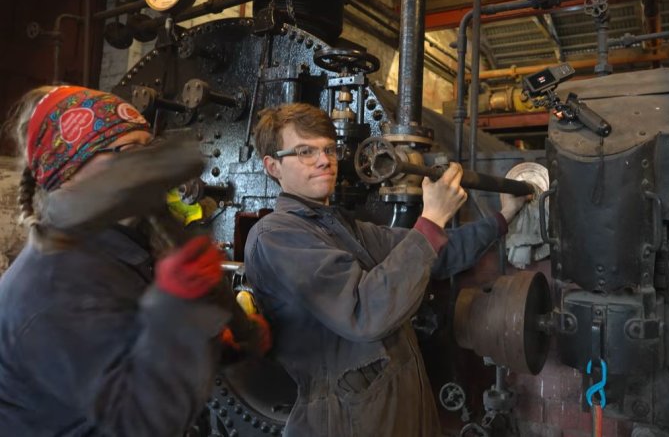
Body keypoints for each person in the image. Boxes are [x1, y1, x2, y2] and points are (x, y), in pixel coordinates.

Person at [244, 103, 528, 436]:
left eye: (328, 149)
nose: (324, 160)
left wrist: (503, 216)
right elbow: (364, 313)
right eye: (305, 151)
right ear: (273, 166)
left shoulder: (343, 228)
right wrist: (432, 217)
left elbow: (437, 252)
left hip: (397, 405)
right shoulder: (276, 236)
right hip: (343, 420)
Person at [0, 85, 235, 435]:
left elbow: (136, 360)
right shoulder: (54, 286)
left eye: (148, 147)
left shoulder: (118, 250)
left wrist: (211, 342)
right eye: (128, 150)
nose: (148, 166)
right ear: (68, 172)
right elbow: (138, 424)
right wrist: (178, 309)